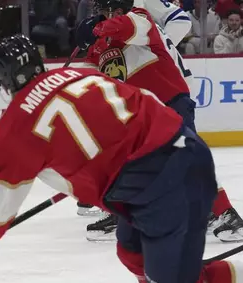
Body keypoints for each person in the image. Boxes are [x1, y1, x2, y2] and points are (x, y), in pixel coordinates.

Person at [0, 33, 242, 283]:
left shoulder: (12, 132)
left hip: (156, 187)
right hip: (178, 154)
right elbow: (136, 108)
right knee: (131, 251)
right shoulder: (84, 72)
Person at [76, 0, 243, 242]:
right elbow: (87, 79)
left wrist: (97, 30)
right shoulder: (103, 44)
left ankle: (225, 213)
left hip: (169, 100)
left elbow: (126, 26)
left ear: (117, 9)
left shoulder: (139, 18)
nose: (100, 15)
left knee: (189, 161)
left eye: (103, 10)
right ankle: (123, 216)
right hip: (142, 114)